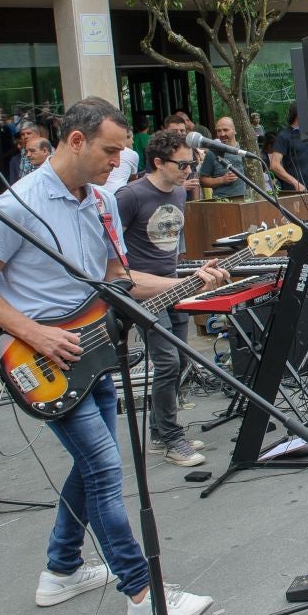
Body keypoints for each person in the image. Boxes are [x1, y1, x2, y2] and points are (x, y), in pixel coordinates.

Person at [0, 97, 220, 615]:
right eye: (111, 149)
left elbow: (115, 279)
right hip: (40, 358)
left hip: (94, 351)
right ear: (75, 141)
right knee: (102, 467)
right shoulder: (19, 204)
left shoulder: (100, 201)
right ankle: (142, 591)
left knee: (89, 464)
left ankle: (61, 570)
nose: (118, 160)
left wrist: (187, 281)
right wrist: (36, 333)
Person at [116, 129, 210, 467]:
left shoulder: (179, 195)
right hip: (143, 292)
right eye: (183, 165)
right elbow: (111, 248)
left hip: (174, 286)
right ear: (158, 162)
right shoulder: (131, 196)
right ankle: (171, 439)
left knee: (182, 360)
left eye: (192, 165)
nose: (189, 172)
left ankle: (160, 432)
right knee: (168, 361)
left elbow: (170, 244)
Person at [269, 103, 308, 192]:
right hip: (294, 190)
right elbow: (274, 165)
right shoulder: (284, 136)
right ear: (298, 114)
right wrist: (295, 183)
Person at [197, 116, 248, 199]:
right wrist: (222, 179)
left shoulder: (245, 150)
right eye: (218, 131)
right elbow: (202, 181)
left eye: (225, 130)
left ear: (235, 131)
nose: (222, 134)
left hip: (248, 201)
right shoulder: (212, 152)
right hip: (224, 203)